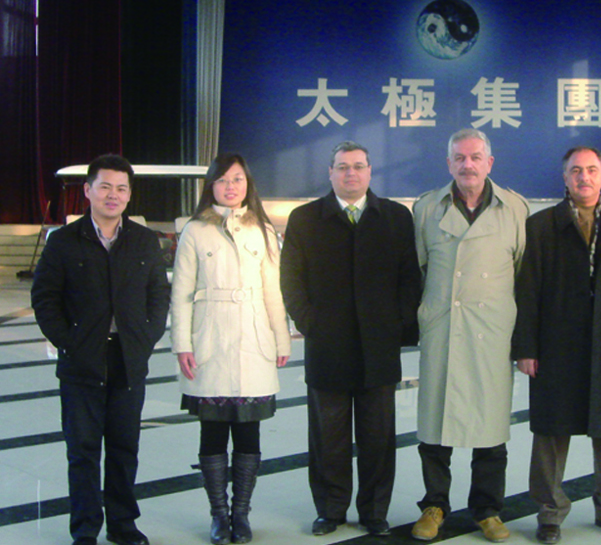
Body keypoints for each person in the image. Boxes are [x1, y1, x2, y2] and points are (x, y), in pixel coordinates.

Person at [280, 141, 421, 537]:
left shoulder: (395, 217)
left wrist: (397, 325)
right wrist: (310, 323)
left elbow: (410, 277)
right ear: (330, 172)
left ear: (370, 172)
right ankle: (330, 509)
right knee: (329, 437)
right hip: (328, 347)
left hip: (379, 347)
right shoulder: (305, 218)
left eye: (358, 166)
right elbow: (290, 278)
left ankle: (375, 511)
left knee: (379, 437)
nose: (350, 173)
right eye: (342, 166)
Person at [31, 154, 170, 545]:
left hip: (128, 358)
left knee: (125, 448)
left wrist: (145, 338)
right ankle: (85, 529)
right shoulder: (63, 241)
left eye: (121, 188)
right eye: (105, 186)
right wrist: (69, 341)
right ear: (88, 190)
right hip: (81, 361)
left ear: (129, 195)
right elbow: (44, 298)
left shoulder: (144, 240)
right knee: (83, 450)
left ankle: (123, 525)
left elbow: (158, 295)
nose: (113, 195)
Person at [512, 146, 601, 544]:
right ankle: (550, 513)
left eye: (591, 170)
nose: (583, 177)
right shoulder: (540, 226)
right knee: (551, 432)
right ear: (564, 177)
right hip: (555, 345)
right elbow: (527, 291)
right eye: (575, 171)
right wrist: (526, 348)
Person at [411, 128, 528, 543]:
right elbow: (418, 269)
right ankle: (434, 506)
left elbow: (522, 273)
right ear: (448, 164)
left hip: (490, 333)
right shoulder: (426, 208)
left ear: (489, 163)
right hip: (444, 328)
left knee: (491, 427)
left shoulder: (514, 208)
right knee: (434, 425)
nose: (468, 165)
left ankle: (487, 510)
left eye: (476, 157)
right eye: (459, 158)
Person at [170, 153, 291, 545]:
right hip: (210, 340)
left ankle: (242, 514)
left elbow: (274, 290)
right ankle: (218, 516)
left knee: (249, 432)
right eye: (222, 180)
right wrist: (182, 343)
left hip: (254, 338)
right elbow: (181, 292)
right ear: (211, 185)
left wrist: (281, 337)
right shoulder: (194, 230)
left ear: (248, 183)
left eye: (237, 179)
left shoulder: (263, 230)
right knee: (212, 431)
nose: (230, 186)